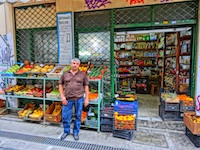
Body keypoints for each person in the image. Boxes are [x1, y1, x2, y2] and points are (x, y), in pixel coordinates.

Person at [59, 58, 89, 141]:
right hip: (67, 99)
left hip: (79, 98)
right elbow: (60, 85)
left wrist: (87, 99)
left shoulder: (82, 75)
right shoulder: (65, 74)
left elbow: (86, 86)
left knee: (78, 116)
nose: (75, 65)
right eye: (73, 63)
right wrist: (62, 97)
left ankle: (76, 132)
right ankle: (66, 131)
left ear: (79, 65)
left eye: (76, 63)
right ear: (70, 64)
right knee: (65, 116)